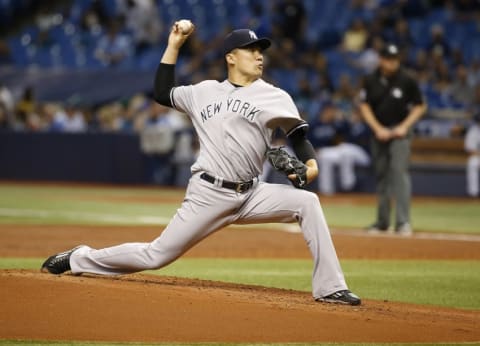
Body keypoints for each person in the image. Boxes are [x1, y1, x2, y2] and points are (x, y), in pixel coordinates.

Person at [41, 22, 361, 306]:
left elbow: (299, 134)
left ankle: (330, 287)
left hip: (252, 194)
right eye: (250, 50)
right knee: (155, 256)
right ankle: (81, 258)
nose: (259, 55)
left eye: (261, 50)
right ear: (230, 57)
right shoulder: (204, 91)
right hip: (209, 193)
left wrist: (311, 165)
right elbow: (163, 93)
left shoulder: (275, 96)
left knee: (307, 202)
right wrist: (174, 45)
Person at [359, 43, 427, 235]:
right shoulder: (370, 80)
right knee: (381, 176)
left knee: (399, 173)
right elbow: (364, 106)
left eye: (395, 59)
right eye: (389, 59)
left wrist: (404, 127)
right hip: (379, 132)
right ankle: (382, 222)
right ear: (381, 59)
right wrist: (378, 128)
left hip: (400, 133)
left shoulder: (407, 80)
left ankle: (403, 222)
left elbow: (420, 106)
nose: (392, 62)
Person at [465, 113, 480, 197]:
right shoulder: (473, 131)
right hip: (477, 156)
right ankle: (473, 193)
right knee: (472, 162)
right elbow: (470, 149)